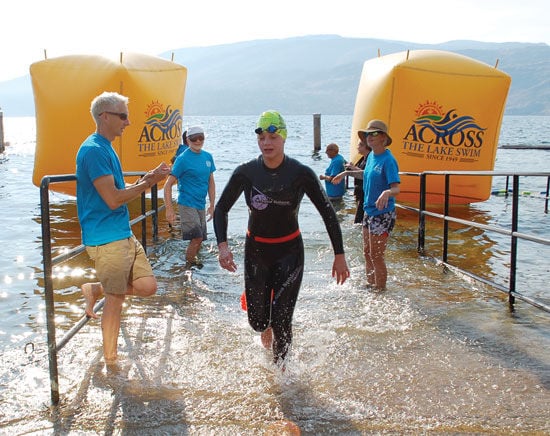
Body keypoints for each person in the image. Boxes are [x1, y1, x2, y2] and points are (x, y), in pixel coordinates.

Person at [213, 110, 350, 367]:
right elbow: (221, 209)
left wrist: (339, 255)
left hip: (290, 252)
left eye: (273, 137)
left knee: (282, 320)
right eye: (262, 137)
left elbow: (328, 213)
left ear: (284, 139)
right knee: (258, 322)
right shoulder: (246, 173)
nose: (267, 143)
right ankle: (265, 324)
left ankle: (282, 379)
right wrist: (223, 247)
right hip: (257, 252)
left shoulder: (300, 173)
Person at [76, 91, 171, 365]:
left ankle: (96, 289)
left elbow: (119, 191)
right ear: (104, 117)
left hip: (122, 232)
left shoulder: (107, 148)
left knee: (148, 286)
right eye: (123, 116)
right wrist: (147, 185)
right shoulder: (93, 150)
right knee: (115, 301)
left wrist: (147, 178)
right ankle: (111, 363)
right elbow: (112, 198)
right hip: (107, 238)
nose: (128, 122)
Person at [336, 119, 400, 291]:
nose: (369, 137)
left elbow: (396, 188)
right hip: (368, 211)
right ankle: (370, 284)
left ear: (383, 138)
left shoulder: (388, 160)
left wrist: (386, 192)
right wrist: (346, 173)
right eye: (367, 134)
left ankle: (380, 290)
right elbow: (367, 175)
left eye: (373, 134)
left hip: (383, 213)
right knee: (367, 252)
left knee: (377, 256)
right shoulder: (371, 156)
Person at [164, 125, 216, 265]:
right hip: (186, 203)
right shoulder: (182, 159)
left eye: (201, 138)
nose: (198, 141)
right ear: (188, 140)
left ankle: (193, 262)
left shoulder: (208, 157)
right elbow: (167, 185)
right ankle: (187, 267)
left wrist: (212, 205)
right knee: (197, 238)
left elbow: (211, 182)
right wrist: (169, 209)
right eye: (194, 138)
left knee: (200, 239)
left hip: (200, 203)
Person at [334, 139, 370, 224]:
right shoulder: (362, 158)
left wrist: (351, 169)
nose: (357, 147)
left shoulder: (370, 158)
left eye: (358, 145)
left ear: (364, 147)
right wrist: (351, 167)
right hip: (359, 190)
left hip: (364, 190)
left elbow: (366, 173)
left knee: (359, 218)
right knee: (359, 216)